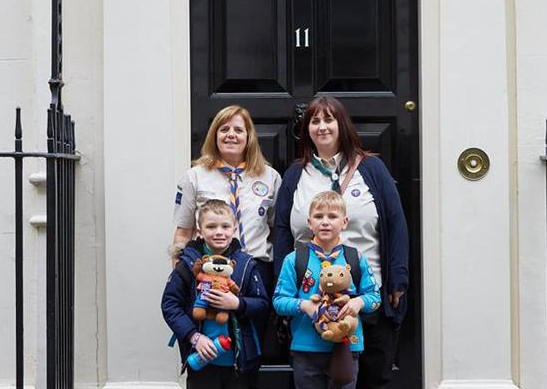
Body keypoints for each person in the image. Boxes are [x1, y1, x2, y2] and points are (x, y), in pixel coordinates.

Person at [273, 96, 409, 389]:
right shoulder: (297, 174)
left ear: (341, 124)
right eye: (315, 121)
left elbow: (396, 223)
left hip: (367, 295)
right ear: (307, 128)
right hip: (311, 300)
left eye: (329, 120)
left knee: (373, 377)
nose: (322, 127)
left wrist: (398, 279)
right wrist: (282, 287)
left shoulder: (372, 169)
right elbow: (282, 230)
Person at [273, 191, 381, 389]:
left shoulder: (355, 258)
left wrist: (358, 302)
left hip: (346, 347)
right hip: (307, 350)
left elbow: (375, 298)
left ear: (345, 222)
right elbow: (279, 301)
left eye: (332, 216)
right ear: (309, 221)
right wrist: (304, 305)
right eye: (318, 216)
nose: (325, 222)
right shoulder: (295, 259)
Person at [173, 105, 281, 297]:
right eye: (224, 129)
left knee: (255, 325)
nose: (231, 135)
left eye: (238, 130)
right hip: (210, 268)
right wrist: (178, 278)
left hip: (257, 267)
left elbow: (276, 229)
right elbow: (183, 232)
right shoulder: (194, 177)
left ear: (249, 137)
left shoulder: (269, 177)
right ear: (215, 136)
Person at [162, 199, 269, 389]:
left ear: (234, 228)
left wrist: (237, 303)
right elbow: (170, 305)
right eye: (211, 227)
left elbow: (262, 304)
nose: (219, 232)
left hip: (239, 363)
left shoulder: (245, 264)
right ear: (200, 231)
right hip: (200, 358)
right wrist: (194, 337)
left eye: (225, 226)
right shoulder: (187, 265)